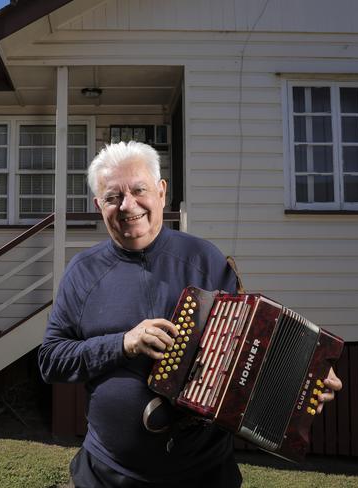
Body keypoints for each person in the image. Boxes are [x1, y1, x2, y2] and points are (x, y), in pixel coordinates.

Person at [38, 141, 342, 488]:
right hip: (108, 472)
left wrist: (306, 375)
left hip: (204, 472)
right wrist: (123, 343)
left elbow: (251, 346)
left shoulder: (204, 259)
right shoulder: (82, 272)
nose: (127, 205)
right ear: (99, 206)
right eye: (113, 197)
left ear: (162, 192)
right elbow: (51, 360)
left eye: (139, 190)